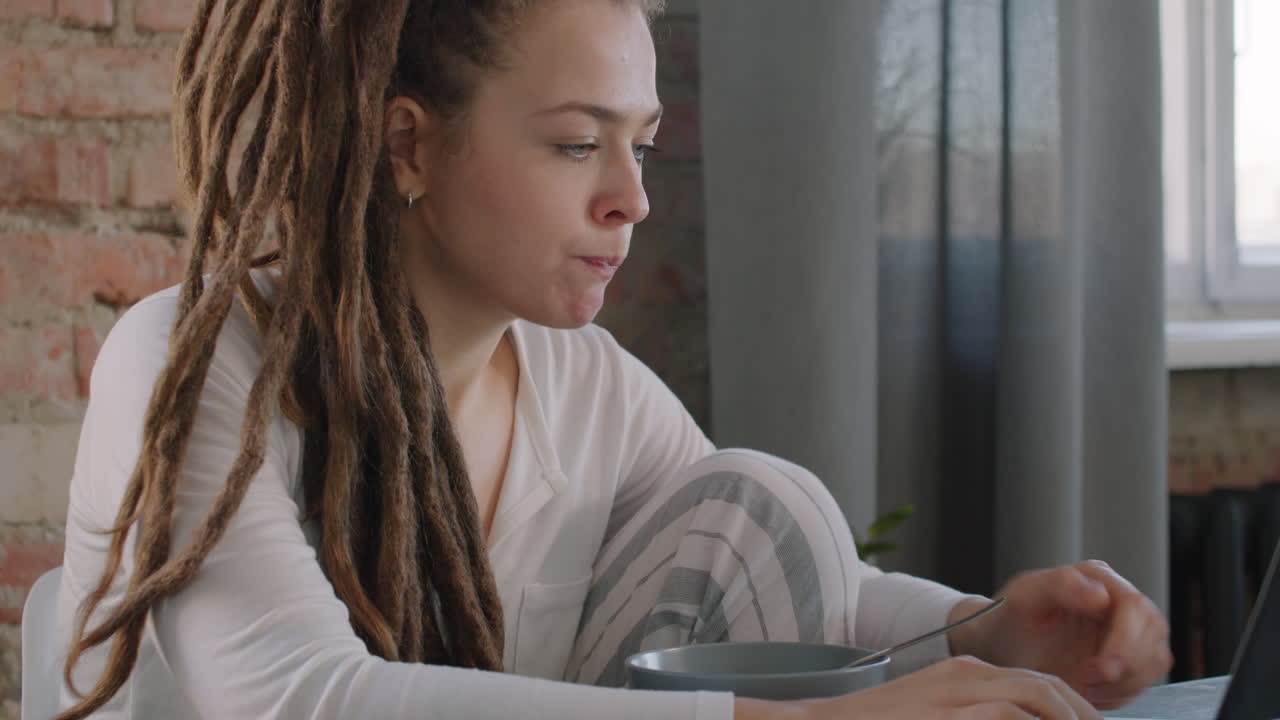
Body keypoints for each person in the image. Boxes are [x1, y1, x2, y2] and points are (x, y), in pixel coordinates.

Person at [52, 1, 1173, 718]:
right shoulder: (196, 362)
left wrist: (979, 630)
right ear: (409, 143)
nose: (628, 198)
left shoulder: (581, 383)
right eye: (575, 143)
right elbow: (299, 699)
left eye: (636, 144)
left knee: (754, 497)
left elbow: (791, 572)